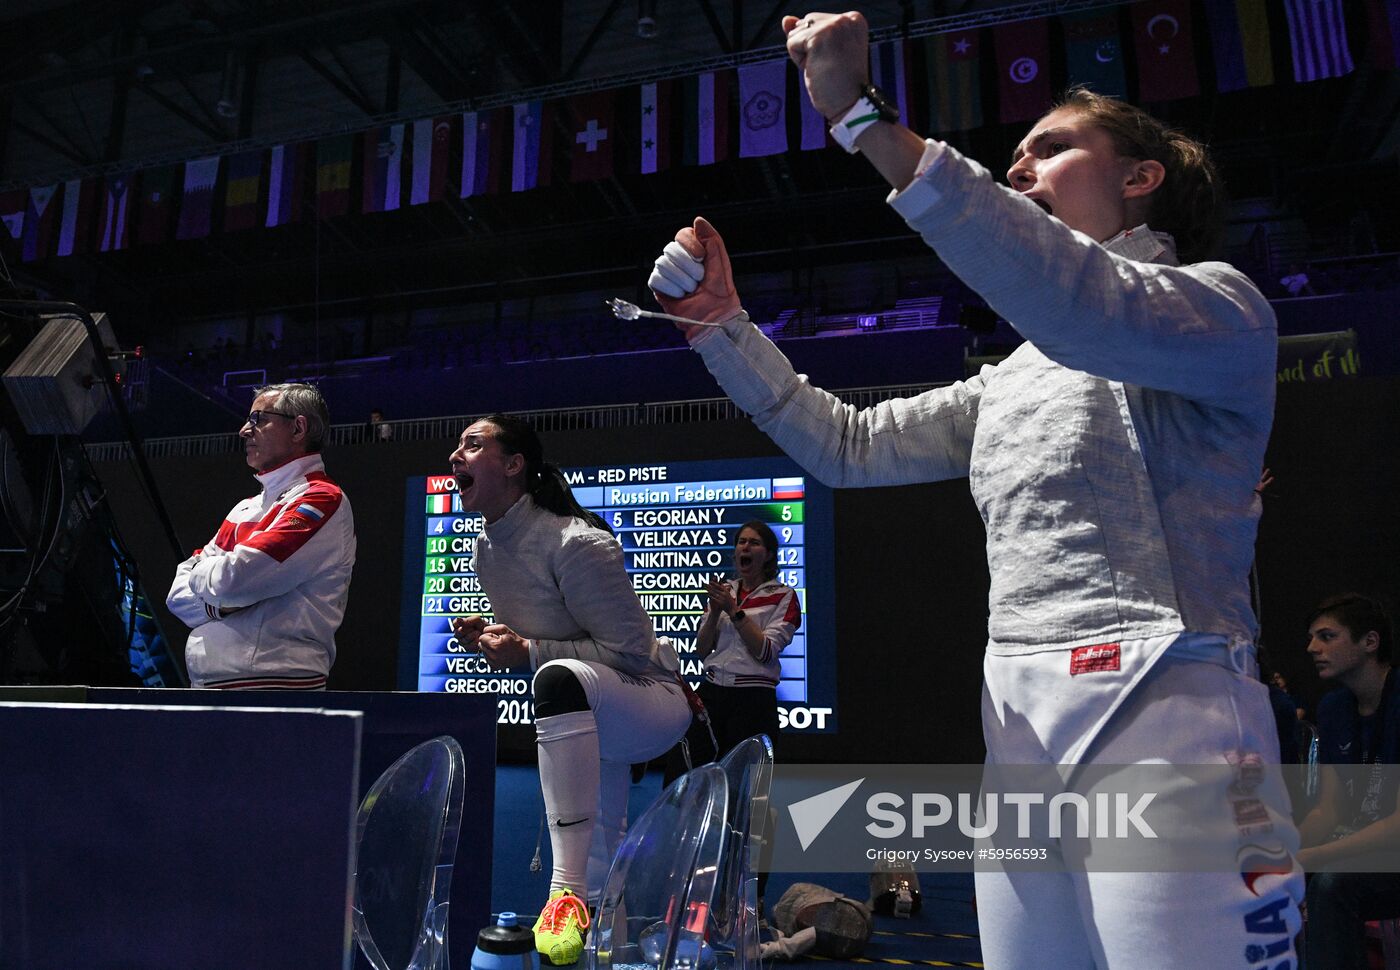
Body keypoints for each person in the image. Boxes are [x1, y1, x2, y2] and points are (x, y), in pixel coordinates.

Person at [648, 11, 1300, 967]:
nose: (1021, 168)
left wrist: (865, 119)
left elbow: (1084, 304)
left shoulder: (1219, 309)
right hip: (1019, 725)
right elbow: (846, 444)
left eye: (1052, 147)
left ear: (1140, 177)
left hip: (1173, 717)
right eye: (1016, 155)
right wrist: (722, 330)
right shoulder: (1015, 379)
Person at [448, 414, 691, 966]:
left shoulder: (577, 544)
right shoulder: (489, 549)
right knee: (605, 849)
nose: (454, 456)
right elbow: (543, 646)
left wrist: (530, 653)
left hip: (651, 700)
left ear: (514, 466)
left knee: (555, 679)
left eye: (472, 445)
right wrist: (491, 643)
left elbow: (630, 655)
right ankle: (609, 946)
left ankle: (565, 893)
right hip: (590, 706)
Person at [166, 382, 355, 689]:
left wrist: (210, 583)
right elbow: (176, 597)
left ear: (298, 428)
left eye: (258, 419)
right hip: (208, 689)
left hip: (275, 691)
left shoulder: (321, 499)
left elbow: (234, 580)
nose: (244, 430)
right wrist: (224, 602)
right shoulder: (245, 508)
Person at [1298, 593, 1400, 969]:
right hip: (1368, 850)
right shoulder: (1334, 708)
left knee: (1331, 881)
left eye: (1327, 637)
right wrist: (1284, 852)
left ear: (1369, 643)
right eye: (1311, 638)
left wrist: (1313, 856)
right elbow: (1329, 808)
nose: (1312, 648)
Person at [665, 520, 800, 783]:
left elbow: (765, 652)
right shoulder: (725, 592)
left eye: (754, 542)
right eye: (741, 541)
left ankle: (739, 825)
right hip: (713, 690)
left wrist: (733, 611)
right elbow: (702, 650)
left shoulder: (784, 596)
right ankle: (680, 821)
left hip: (754, 698)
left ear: (768, 554)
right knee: (683, 766)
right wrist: (715, 612)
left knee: (743, 781)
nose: (745, 547)